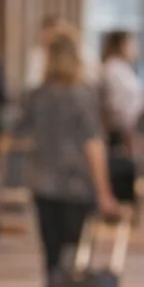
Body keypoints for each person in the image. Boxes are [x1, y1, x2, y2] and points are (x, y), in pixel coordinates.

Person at [22, 31, 120, 273]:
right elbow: (93, 144)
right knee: (75, 256)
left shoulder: (37, 95)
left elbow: (24, 132)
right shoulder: (82, 95)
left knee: (52, 256)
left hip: (43, 182)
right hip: (76, 185)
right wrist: (104, 192)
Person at [99, 28, 142, 204]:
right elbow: (117, 106)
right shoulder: (112, 69)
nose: (134, 48)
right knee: (124, 187)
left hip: (131, 130)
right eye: (131, 44)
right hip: (121, 134)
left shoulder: (124, 69)